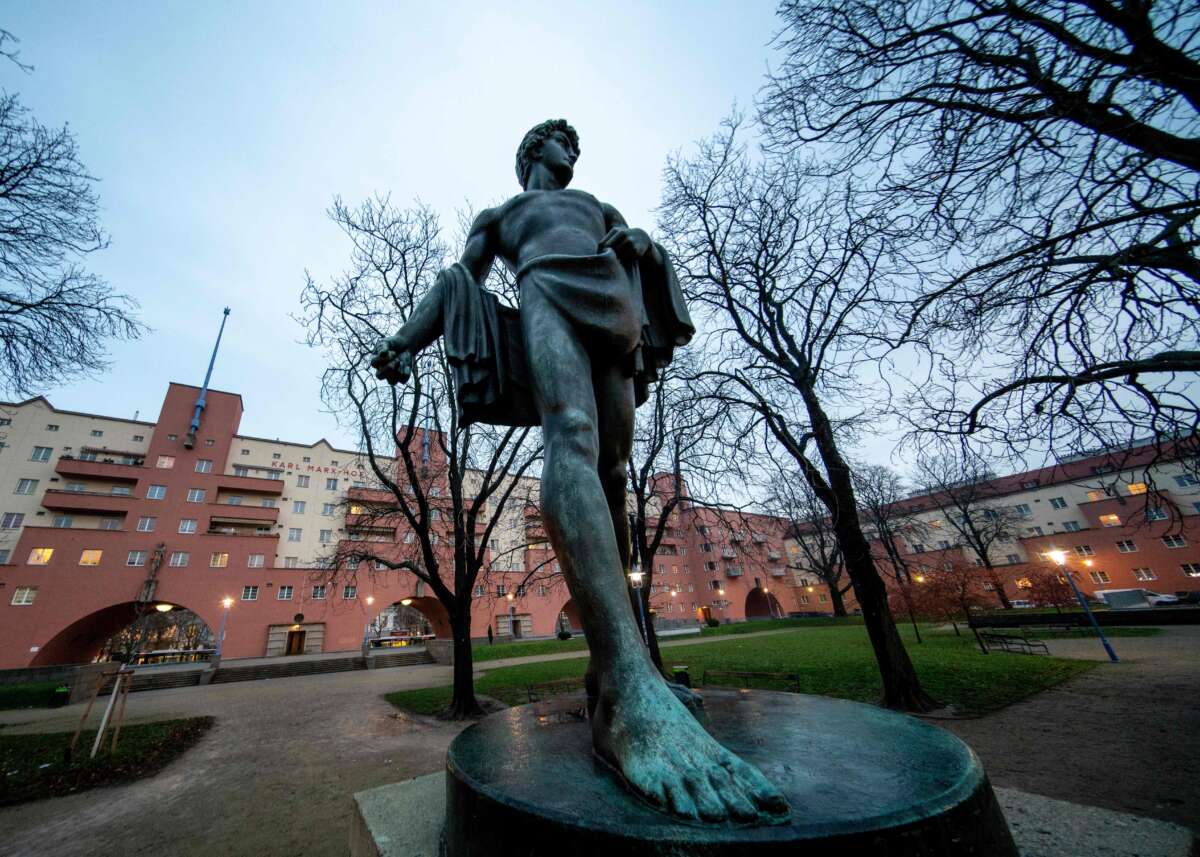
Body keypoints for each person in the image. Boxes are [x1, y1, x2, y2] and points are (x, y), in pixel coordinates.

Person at [370, 119, 787, 824]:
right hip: (544, 295)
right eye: (565, 141)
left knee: (615, 471)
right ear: (535, 150)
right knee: (570, 434)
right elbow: (459, 281)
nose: (576, 151)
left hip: (611, 302)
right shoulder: (502, 215)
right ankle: (626, 679)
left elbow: (640, 247)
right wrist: (407, 339)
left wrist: (643, 245)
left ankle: (618, 667)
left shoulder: (596, 205)